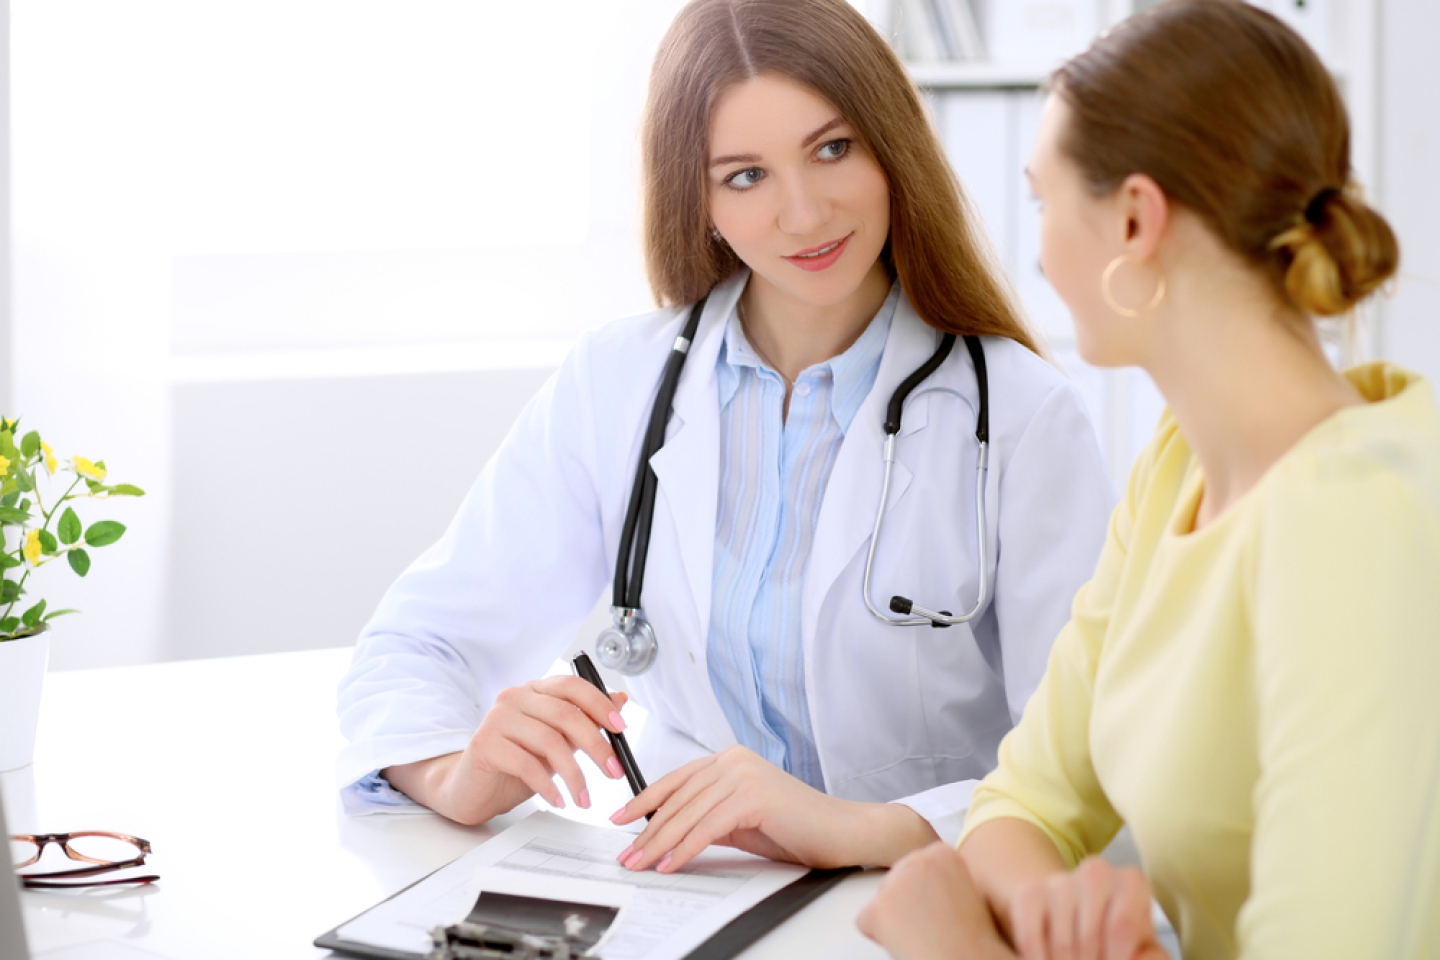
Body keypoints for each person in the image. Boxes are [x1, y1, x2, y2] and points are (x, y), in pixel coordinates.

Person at [335, 0, 1114, 875]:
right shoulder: (617, 382)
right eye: (745, 176)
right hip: (687, 893)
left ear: (892, 148)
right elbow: (414, 647)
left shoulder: (1018, 413)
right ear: (696, 198)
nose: (806, 214)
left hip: (923, 896)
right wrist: (452, 773)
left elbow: (1087, 759)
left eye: (833, 148)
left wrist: (859, 829)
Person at [857, 0, 1440, 956]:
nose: (1036, 246)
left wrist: (959, 946)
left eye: (1042, 202)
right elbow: (1025, 800)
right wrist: (1052, 915)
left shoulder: (1354, 529)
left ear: (1134, 218)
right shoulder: (1177, 471)